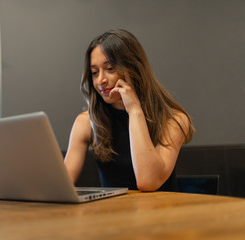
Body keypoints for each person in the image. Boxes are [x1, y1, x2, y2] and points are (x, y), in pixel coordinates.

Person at [64, 29, 195, 191]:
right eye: (94, 72)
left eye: (110, 68)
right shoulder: (86, 122)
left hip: (160, 214)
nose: (101, 80)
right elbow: (62, 185)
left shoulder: (174, 119)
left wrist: (134, 110)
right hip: (111, 214)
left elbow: (148, 182)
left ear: (133, 68)